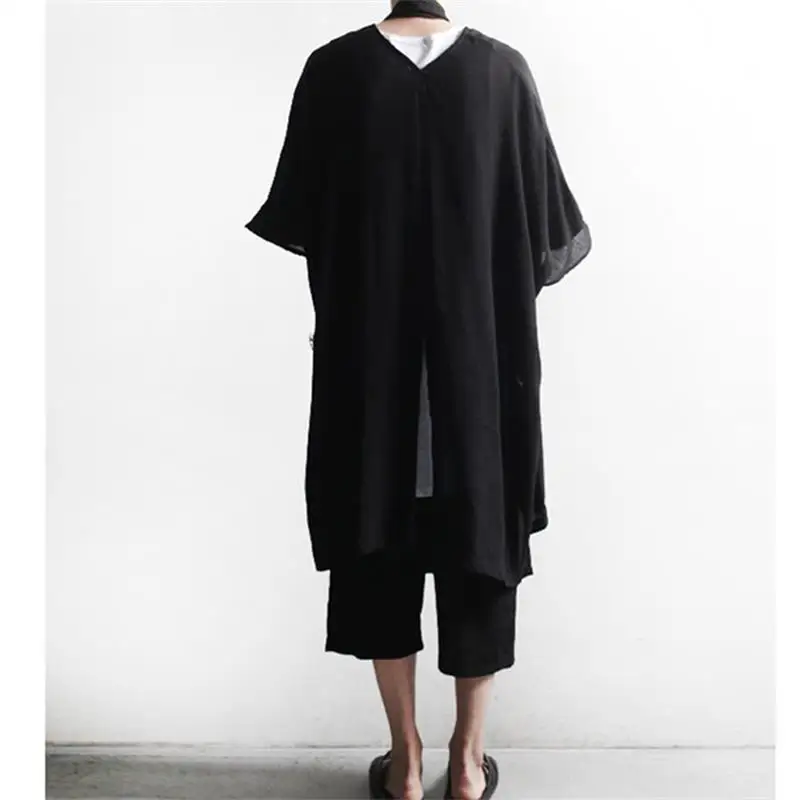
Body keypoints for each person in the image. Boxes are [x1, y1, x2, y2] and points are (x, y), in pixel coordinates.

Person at [244, 1, 592, 797]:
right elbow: (548, 238)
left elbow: (303, 219)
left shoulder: (334, 70)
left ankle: (405, 762)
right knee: (479, 546)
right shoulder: (502, 73)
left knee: (376, 539)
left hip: (371, 373)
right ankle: (467, 765)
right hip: (480, 375)